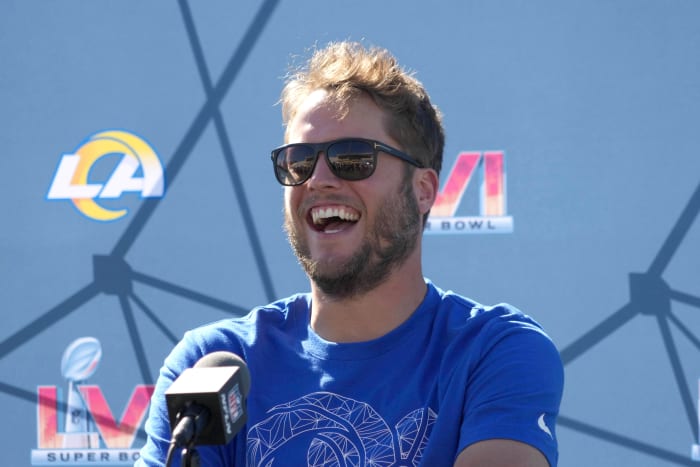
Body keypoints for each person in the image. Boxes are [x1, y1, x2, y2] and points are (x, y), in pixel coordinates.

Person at [137, 41, 564, 467]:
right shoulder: (213, 366)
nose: (318, 179)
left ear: (423, 190)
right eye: (298, 162)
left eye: (353, 158)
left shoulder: (493, 351)